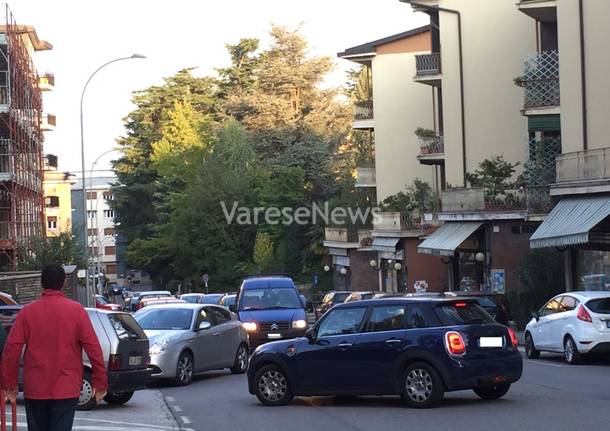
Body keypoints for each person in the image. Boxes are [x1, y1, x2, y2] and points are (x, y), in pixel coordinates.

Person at [1, 264, 108, 431]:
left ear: (42, 283)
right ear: (64, 282)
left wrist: (10, 384)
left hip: (35, 386)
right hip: (66, 386)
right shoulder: (77, 311)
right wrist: (100, 381)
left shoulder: (27, 312)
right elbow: (93, 348)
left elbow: (11, 350)